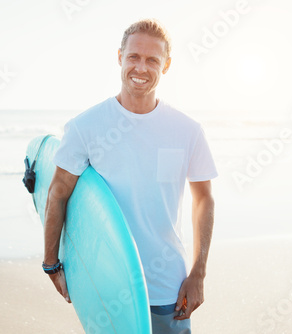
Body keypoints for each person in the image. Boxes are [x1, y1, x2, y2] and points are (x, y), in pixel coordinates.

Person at [42, 18, 217, 333]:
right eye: (134, 56)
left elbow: (203, 199)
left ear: (166, 66)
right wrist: (51, 263)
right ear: (119, 56)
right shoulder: (86, 126)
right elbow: (58, 193)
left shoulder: (187, 130)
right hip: (107, 281)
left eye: (153, 60)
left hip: (168, 285)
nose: (141, 67)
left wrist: (198, 273)